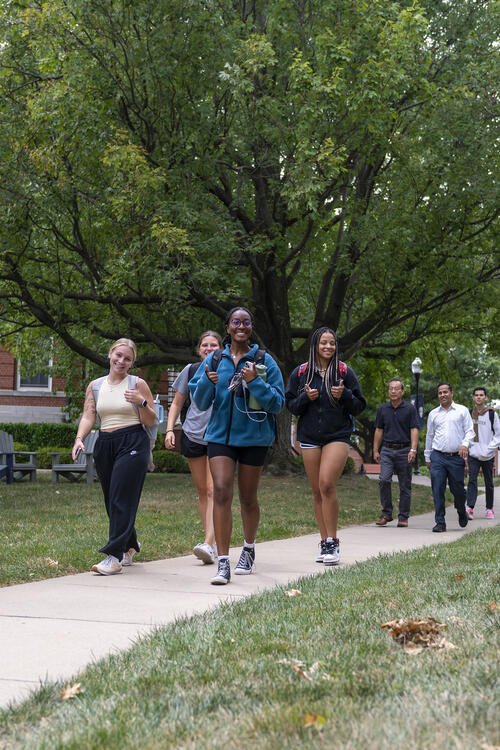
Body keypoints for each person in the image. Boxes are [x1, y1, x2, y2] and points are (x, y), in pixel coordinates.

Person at [189, 306, 285, 585]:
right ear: (228, 327)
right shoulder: (215, 360)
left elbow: (277, 403)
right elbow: (201, 400)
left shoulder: (264, 360)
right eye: (235, 322)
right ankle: (222, 562)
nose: (240, 326)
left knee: (247, 497)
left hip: (254, 437)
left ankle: (249, 548)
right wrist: (208, 383)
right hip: (220, 436)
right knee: (220, 491)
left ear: (251, 327)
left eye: (246, 322)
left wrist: (255, 382)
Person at [72, 338, 156, 575]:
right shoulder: (95, 386)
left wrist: (141, 403)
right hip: (105, 443)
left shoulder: (138, 384)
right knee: (113, 499)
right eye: (118, 355)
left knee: (121, 496)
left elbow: (151, 421)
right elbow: (89, 416)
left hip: (133, 441)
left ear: (132, 363)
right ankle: (130, 545)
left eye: (127, 358)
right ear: (110, 354)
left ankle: (114, 556)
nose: (121, 361)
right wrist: (80, 438)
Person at [285, 327, 366, 565]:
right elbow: (290, 405)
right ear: (315, 346)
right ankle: (324, 543)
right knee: (317, 491)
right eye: (324, 343)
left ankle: (333, 542)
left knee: (327, 484)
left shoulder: (344, 372)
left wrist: (345, 395)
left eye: (332, 343)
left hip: (337, 435)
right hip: (309, 437)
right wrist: (304, 398)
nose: (328, 347)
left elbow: (360, 405)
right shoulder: (301, 373)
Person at [164, 330, 222, 564]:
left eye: (214, 345)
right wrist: (170, 429)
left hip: (219, 437)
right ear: (199, 349)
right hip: (193, 434)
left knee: (213, 490)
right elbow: (177, 402)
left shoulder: (228, 369)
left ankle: (209, 543)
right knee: (202, 492)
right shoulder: (190, 370)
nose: (209, 348)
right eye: (205, 345)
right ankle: (212, 542)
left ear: (221, 348)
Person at [424, 382, 475, 532]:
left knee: (458, 490)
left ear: (451, 393)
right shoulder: (433, 414)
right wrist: (428, 457)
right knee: (437, 489)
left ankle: (461, 510)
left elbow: (470, 431)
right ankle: (440, 522)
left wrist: (465, 444)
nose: (443, 395)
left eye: (445, 392)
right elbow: (429, 436)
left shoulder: (462, 411)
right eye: (440, 393)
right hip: (438, 457)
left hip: (456, 458)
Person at [373, 378, 420, 527]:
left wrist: (413, 449)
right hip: (387, 450)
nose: (393, 391)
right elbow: (379, 430)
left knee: (405, 485)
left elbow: (414, 429)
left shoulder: (410, 409)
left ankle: (403, 516)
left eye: (396, 388)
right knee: (384, 480)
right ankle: (386, 513)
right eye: (391, 388)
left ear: (402, 391)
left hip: (404, 450)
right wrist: (375, 449)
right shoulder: (382, 409)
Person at [466, 387, 500, 520]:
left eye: (481, 395)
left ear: (485, 397)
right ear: (473, 398)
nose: (479, 397)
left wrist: (489, 449)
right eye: (476, 395)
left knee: (489, 482)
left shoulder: (492, 414)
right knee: (472, 481)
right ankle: (470, 508)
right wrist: (469, 447)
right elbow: (466, 432)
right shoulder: (469, 413)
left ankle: (489, 508)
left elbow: (497, 434)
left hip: (488, 454)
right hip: (473, 453)